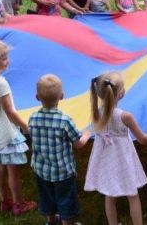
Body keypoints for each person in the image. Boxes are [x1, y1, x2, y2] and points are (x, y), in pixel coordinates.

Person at [85, 72, 147, 225]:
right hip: (123, 160)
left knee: (109, 195)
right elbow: (142, 139)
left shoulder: (96, 113)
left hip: (106, 160)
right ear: (121, 94)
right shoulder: (125, 116)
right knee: (132, 195)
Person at [0, 38, 36, 216]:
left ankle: (5, 201)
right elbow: (10, 111)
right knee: (13, 172)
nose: (8, 61)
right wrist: (25, 126)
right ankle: (18, 204)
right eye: (4, 58)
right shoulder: (0, 83)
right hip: (5, 134)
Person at [30, 74, 91, 224]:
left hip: (41, 170)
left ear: (37, 97)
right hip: (62, 172)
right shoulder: (64, 120)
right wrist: (87, 134)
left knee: (47, 198)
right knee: (66, 200)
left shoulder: (32, 118)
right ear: (62, 96)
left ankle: (51, 221)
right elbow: (78, 143)